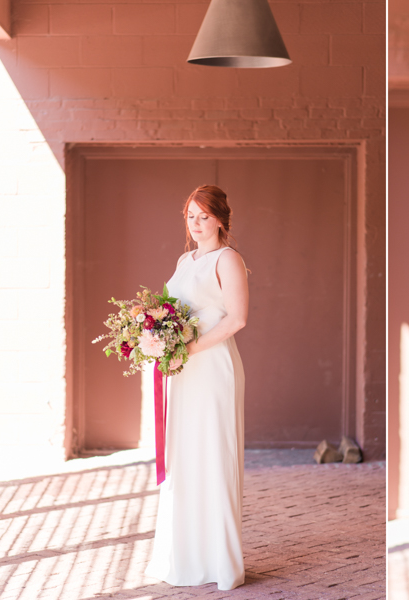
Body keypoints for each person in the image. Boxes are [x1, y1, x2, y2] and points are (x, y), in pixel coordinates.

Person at [145, 185, 249, 590]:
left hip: (212, 367)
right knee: (185, 455)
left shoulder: (228, 259)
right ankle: (186, 556)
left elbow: (236, 319)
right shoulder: (184, 259)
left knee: (212, 453)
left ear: (221, 219)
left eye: (204, 216)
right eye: (191, 216)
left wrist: (186, 348)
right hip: (184, 370)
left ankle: (219, 562)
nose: (197, 224)